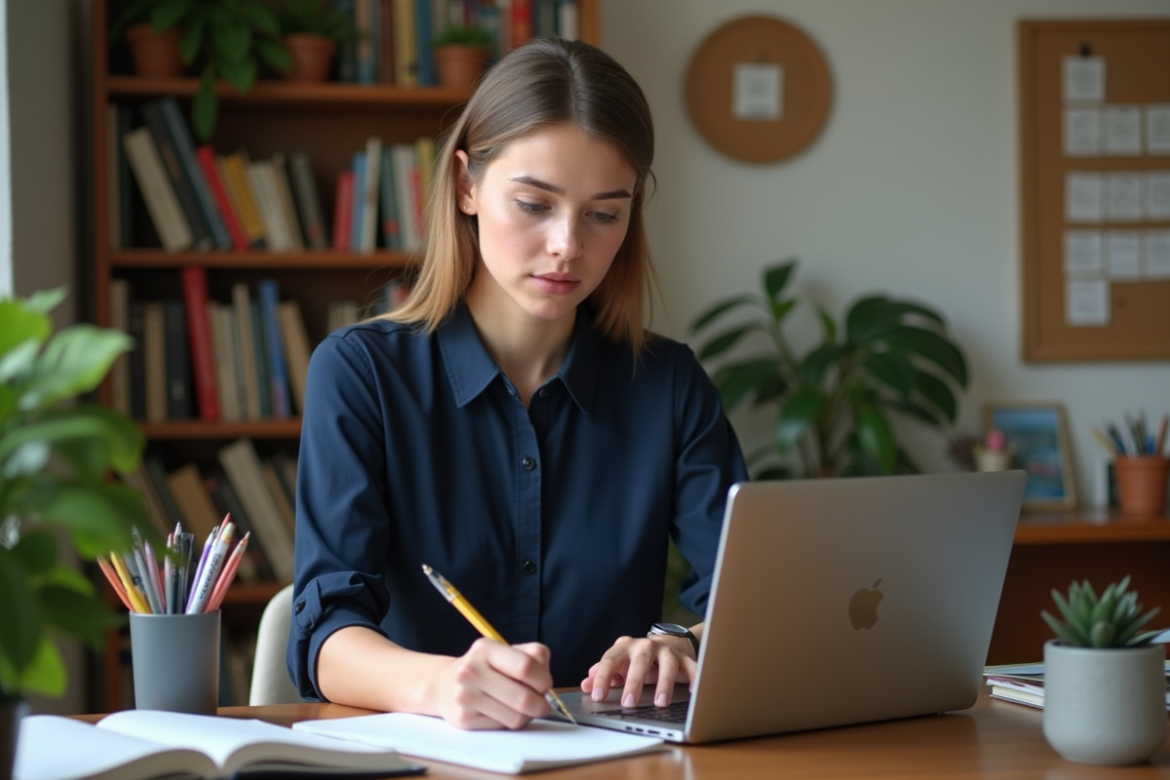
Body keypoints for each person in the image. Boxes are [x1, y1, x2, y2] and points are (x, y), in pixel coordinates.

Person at [288, 37, 747, 731]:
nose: (569, 245)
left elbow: (746, 607)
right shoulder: (360, 373)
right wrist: (443, 686)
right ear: (467, 185)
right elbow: (323, 635)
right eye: (535, 204)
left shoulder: (669, 384)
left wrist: (679, 644)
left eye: (604, 214)